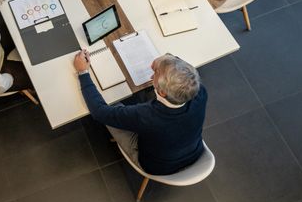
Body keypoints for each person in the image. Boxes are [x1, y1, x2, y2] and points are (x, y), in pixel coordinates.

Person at [74, 51, 207, 176]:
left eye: (155, 73)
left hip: (158, 167)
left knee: (113, 104)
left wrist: (83, 72)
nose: (151, 75)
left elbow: (99, 112)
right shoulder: (200, 91)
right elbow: (185, 69)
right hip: (193, 152)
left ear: (162, 92)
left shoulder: (146, 116)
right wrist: (164, 62)